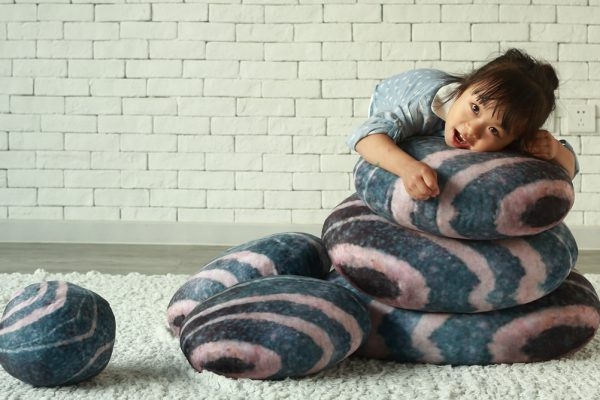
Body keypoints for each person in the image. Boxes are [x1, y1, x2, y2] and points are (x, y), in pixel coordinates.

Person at [347, 48, 579, 201]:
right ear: (465, 87)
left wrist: (555, 151)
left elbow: (569, 170)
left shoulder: (514, 131)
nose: (472, 129)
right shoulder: (424, 105)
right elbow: (364, 136)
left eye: (493, 130)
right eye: (475, 108)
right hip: (393, 93)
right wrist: (407, 167)